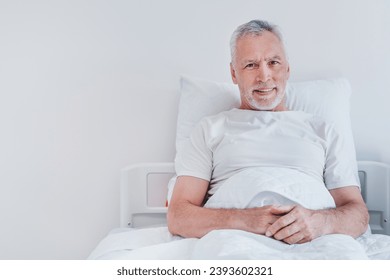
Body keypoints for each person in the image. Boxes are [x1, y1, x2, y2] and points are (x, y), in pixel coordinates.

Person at [167, 20, 369, 245]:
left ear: (287, 68)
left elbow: (358, 215)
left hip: (315, 245)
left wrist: (319, 222)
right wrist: (248, 221)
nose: (264, 77)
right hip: (235, 244)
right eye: (251, 65)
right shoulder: (210, 129)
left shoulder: (322, 130)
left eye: (273, 62)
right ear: (234, 73)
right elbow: (178, 216)